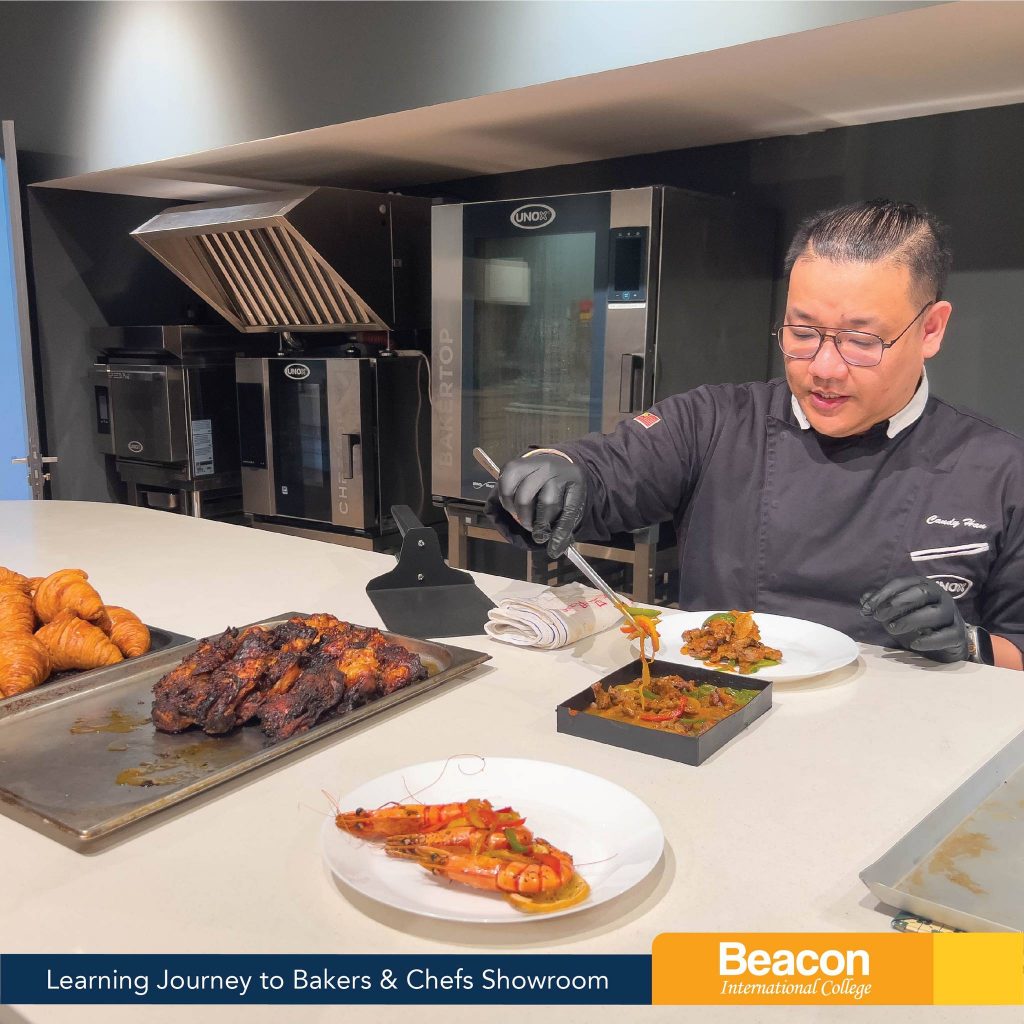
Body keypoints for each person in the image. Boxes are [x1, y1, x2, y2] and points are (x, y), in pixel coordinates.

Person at [495, 199, 1024, 670]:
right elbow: (606, 470)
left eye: (861, 341)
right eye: (802, 332)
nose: (824, 368)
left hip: (904, 738)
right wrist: (553, 470)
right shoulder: (714, 422)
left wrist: (971, 646)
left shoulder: (1000, 470)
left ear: (931, 329)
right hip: (716, 714)